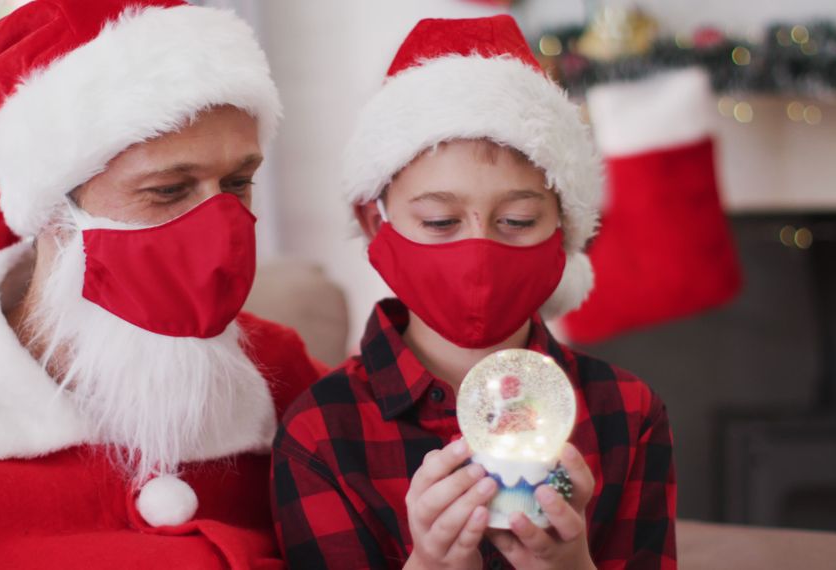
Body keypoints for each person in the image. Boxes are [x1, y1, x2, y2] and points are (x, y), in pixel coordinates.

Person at [0, 1, 324, 567]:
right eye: (167, 190)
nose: (219, 226)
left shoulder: (283, 374)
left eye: (238, 182)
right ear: (52, 213)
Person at [272, 15, 676, 570]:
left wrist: (571, 565)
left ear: (565, 228)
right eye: (440, 221)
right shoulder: (321, 433)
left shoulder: (627, 414)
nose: (479, 253)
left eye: (517, 219)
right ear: (375, 223)